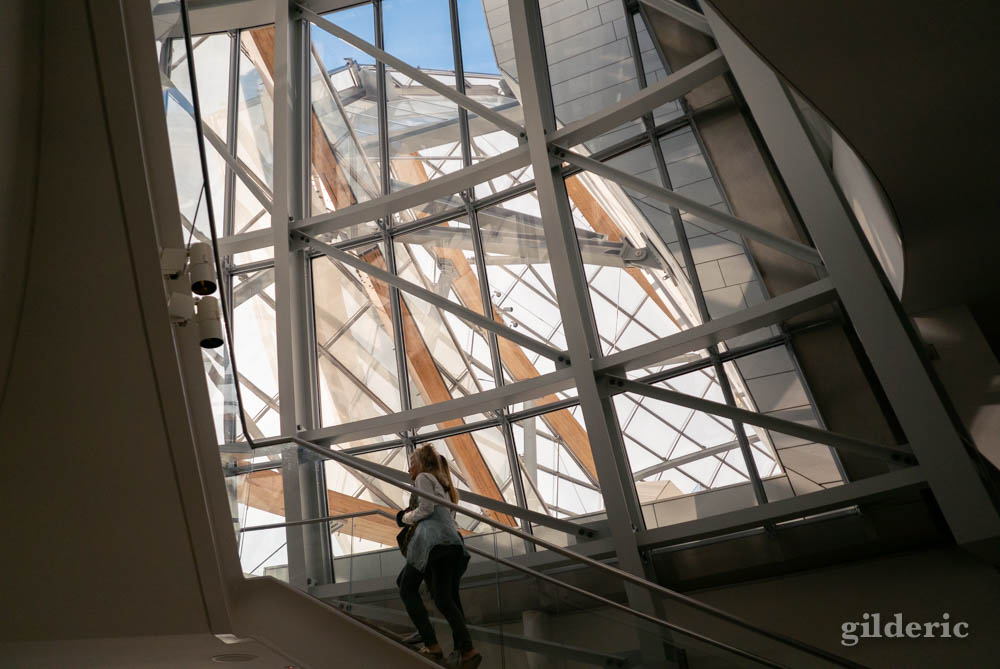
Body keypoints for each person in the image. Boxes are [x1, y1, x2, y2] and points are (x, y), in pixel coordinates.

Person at [396, 445, 482, 669]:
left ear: (421, 464)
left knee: (406, 586)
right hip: (451, 544)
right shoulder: (444, 486)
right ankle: (465, 649)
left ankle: (430, 641)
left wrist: (404, 518)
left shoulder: (424, 478)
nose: (409, 469)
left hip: (433, 543)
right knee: (445, 598)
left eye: (412, 463)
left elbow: (425, 509)